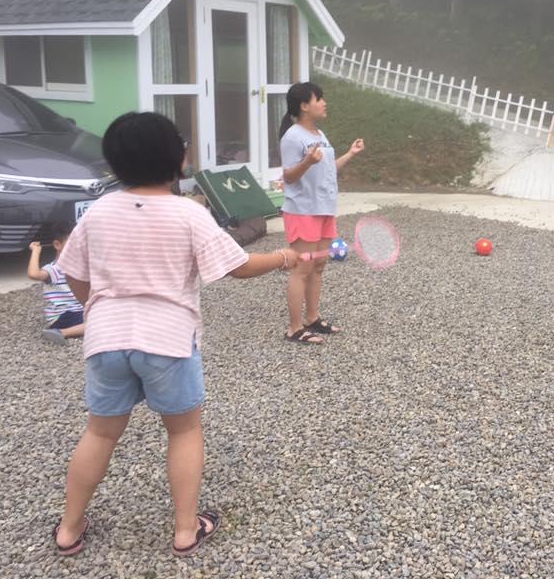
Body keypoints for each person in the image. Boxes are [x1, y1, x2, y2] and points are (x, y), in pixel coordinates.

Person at [52, 112, 300, 557]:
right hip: (167, 339)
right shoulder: (188, 214)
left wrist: (96, 304)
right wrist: (284, 257)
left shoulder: (99, 211)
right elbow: (238, 268)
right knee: (183, 431)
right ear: (176, 160)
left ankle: (69, 528)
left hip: (106, 338)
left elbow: (72, 271)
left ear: (115, 163)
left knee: (100, 433)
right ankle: (186, 530)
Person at [279, 82, 364, 343]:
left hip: (324, 209)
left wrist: (350, 153)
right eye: (320, 99)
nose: (324, 103)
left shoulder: (319, 134)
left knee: (318, 266)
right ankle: (294, 328)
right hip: (303, 211)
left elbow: (327, 169)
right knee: (302, 268)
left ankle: (312, 318)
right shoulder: (293, 137)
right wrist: (306, 161)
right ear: (304, 105)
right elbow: (289, 177)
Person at [28, 222, 85, 345]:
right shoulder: (55, 269)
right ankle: (62, 332)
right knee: (100, 321)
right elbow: (33, 274)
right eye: (72, 244)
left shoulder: (78, 265)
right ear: (57, 245)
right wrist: (36, 251)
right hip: (63, 315)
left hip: (77, 312)